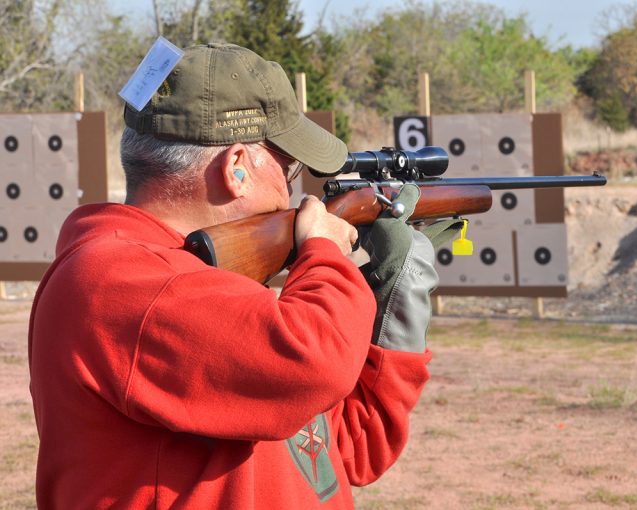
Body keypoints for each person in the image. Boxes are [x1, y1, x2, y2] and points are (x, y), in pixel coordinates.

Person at [28, 43, 459, 509]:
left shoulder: (208, 283)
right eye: (288, 169)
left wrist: (399, 287)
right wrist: (325, 251)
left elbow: (355, 448)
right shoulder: (116, 281)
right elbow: (315, 363)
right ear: (236, 168)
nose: (291, 190)